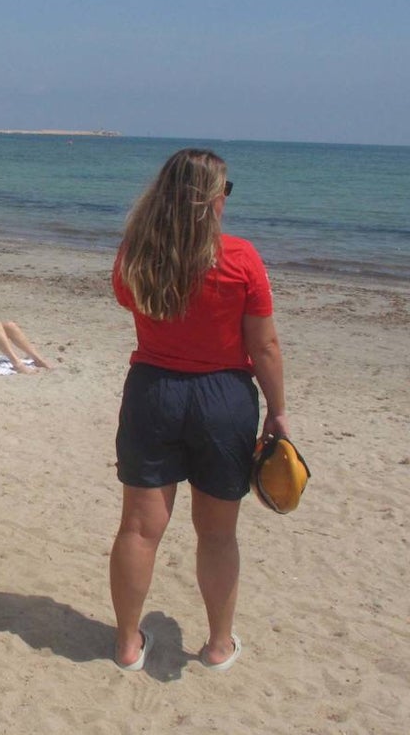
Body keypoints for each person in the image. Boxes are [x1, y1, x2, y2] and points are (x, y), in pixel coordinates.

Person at [109, 148, 288, 672]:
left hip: (153, 391)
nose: (225, 202)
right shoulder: (241, 258)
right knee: (217, 532)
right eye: (224, 191)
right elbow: (266, 347)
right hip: (222, 399)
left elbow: (133, 303)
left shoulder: (137, 255)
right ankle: (217, 645)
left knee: (139, 529)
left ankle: (126, 644)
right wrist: (278, 412)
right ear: (210, 198)